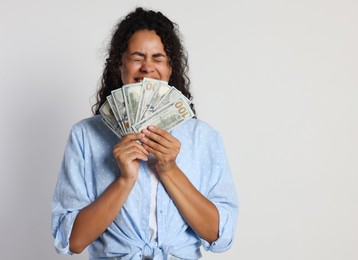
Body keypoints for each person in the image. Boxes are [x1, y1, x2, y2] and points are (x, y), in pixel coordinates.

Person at [51, 7, 238, 260]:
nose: (147, 67)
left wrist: (169, 169)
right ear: (120, 63)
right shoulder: (85, 135)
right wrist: (124, 180)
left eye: (158, 58)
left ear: (171, 68)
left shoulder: (204, 138)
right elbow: (73, 241)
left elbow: (219, 235)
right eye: (137, 57)